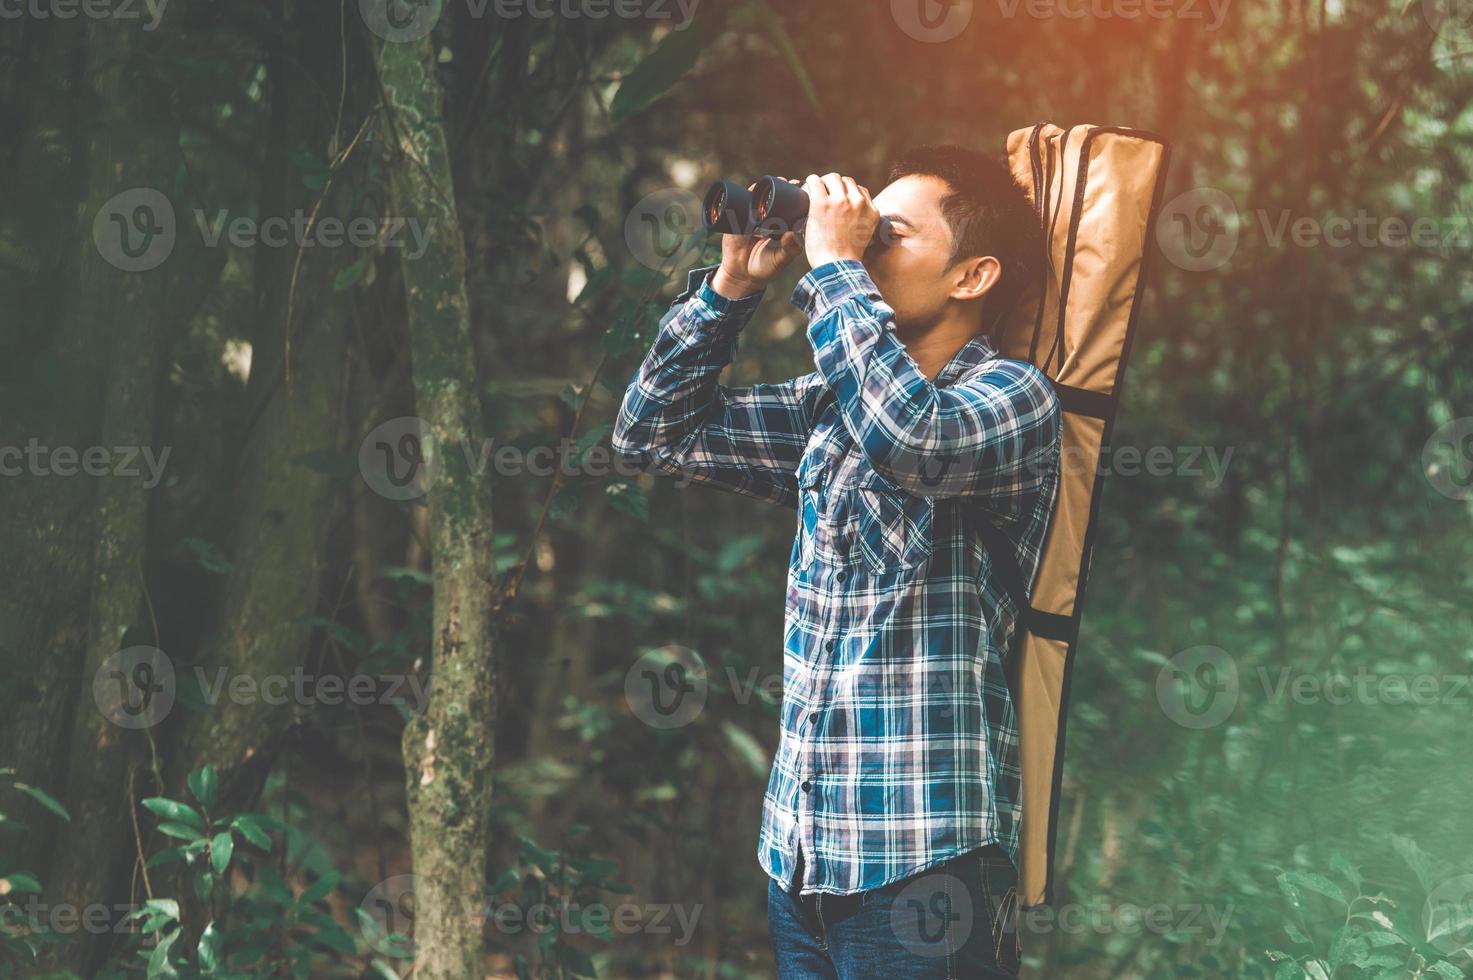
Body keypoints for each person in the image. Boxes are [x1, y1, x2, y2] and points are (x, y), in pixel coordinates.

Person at [613, 145, 1062, 978]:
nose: (856, 244)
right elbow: (650, 435)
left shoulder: (1014, 399)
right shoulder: (828, 406)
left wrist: (830, 266)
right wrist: (730, 290)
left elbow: (911, 438)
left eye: (886, 234)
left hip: (926, 868)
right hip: (803, 858)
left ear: (972, 276)